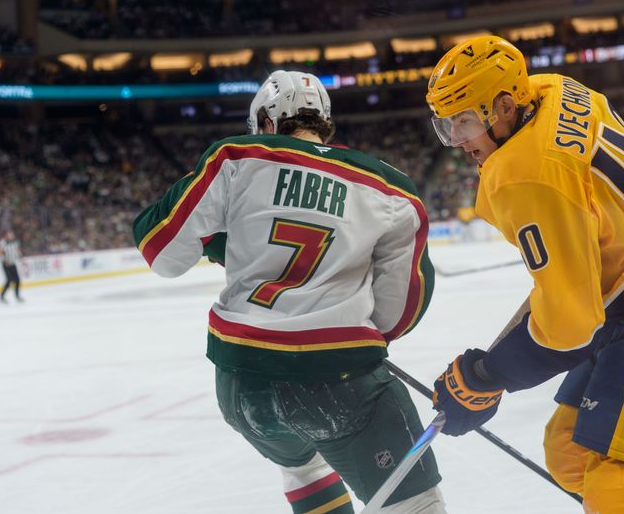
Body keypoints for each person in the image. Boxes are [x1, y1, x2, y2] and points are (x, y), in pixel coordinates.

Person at [425, 36, 624, 513]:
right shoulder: (553, 87)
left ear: (506, 105)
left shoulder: (523, 173)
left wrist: (486, 376)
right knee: (570, 451)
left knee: (616, 484)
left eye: (466, 122)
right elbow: (577, 273)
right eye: (447, 125)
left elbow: (570, 328)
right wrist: (485, 374)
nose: (457, 140)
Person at [133, 70, 445, 514]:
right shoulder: (391, 188)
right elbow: (399, 312)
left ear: (266, 121)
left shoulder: (235, 157)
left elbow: (161, 251)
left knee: (304, 468)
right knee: (415, 503)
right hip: (338, 379)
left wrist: (225, 240)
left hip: (242, 383)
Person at [0, 231, 23, 304]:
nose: (11, 236)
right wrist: (5, 261)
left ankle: (17, 296)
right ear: (6, 236)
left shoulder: (15, 242)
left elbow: (17, 251)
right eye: (10, 235)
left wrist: (19, 255)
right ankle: (2, 296)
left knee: (17, 280)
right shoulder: (2, 243)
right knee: (9, 280)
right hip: (6, 264)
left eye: (12, 235)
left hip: (12, 263)